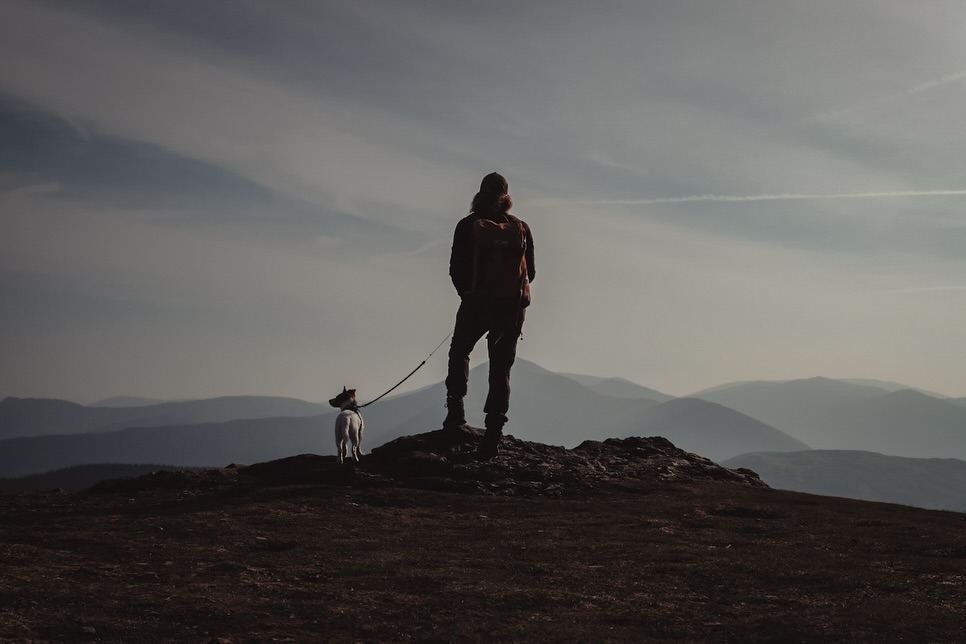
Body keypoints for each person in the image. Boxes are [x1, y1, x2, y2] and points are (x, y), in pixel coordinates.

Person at [442, 172, 535, 459]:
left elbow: (456, 267)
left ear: (480, 194)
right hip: (511, 310)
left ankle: (456, 413)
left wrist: (469, 295)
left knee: (459, 352)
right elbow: (530, 272)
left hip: (477, 304)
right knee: (500, 368)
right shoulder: (520, 227)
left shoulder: (468, 225)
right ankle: (493, 434)